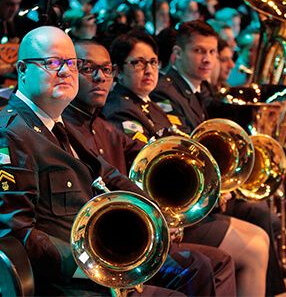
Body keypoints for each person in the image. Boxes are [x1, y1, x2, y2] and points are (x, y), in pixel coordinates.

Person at [0, 26, 222, 296]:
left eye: (71, 63)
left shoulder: (58, 123)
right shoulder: (11, 133)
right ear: (22, 70)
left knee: (195, 268)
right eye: (51, 62)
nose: (65, 71)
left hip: (100, 259)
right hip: (65, 280)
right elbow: (16, 233)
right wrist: (97, 268)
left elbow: (110, 175)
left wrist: (159, 217)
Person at [102, 29, 270, 297]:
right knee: (254, 247)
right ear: (119, 71)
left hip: (180, 210)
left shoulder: (147, 105)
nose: (148, 70)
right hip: (164, 216)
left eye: (153, 62)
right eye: (137, 62)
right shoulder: (120, 108)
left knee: (259, 239)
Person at [63, 38, 237, 296]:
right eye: (87, 68)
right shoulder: (75, 126)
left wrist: (170, 207)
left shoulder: (104, 126)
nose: (100, 77)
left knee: (217, 261)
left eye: (105, 69)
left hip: (133, 232)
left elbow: (144, 157)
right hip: (109, 245)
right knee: (198, 265)